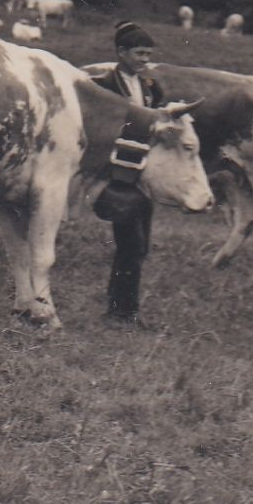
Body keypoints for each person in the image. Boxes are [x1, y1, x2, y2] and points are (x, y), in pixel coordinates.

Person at [90, 20, 166, 323]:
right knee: (130, 241)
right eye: (139, 54)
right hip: (119, 169)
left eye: (148, 54)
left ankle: (125, 307)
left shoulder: (149, 86)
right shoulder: (106, 85)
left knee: (141, 242)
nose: (145, 60)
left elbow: (156, 111)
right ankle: (121, 310)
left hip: (141, 168)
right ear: (121, 53)